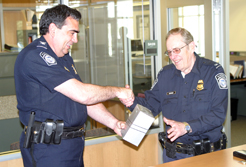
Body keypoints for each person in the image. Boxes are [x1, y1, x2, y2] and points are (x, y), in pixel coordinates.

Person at [14, 4, 134, 167]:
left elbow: (84, 101)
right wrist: (118, 91)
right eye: (72, 33)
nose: (75, 39)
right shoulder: (35, 55)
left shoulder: (63, 57)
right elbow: (83, 94)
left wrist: (114, 123)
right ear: (53, 29)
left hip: (71, 146)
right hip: (49, 148)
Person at [125, 27, 228, 162]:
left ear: (191, 46)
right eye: (169, 52)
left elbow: (218, 115)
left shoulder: (212, 72)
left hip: (207, 155)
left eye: (177, 50)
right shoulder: (165, 75)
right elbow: (151, 106)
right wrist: (131, 101)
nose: (173, 57)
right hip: (174, 156)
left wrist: (187, 126)